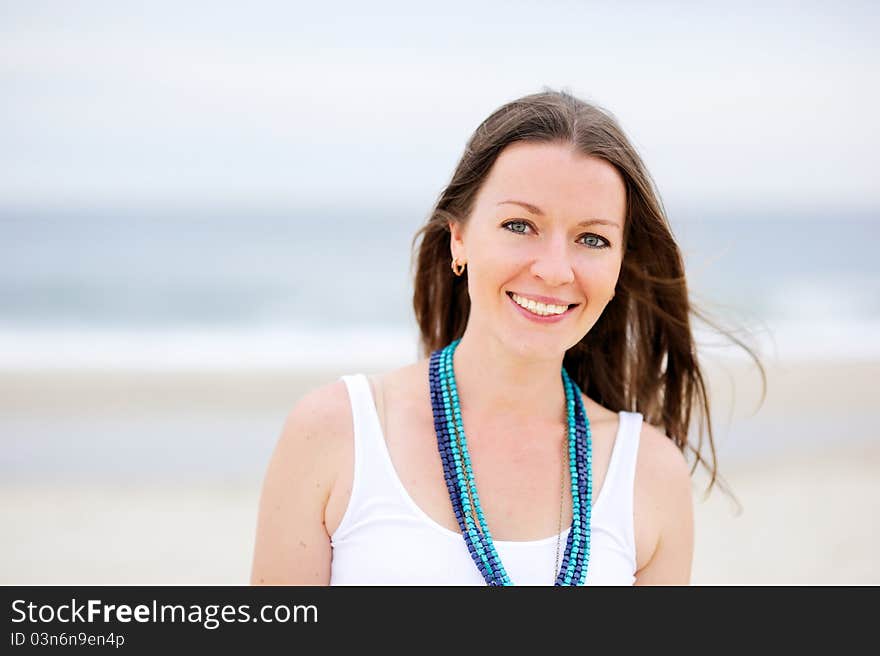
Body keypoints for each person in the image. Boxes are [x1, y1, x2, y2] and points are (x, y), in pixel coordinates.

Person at [250, 88, 743, 586]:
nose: (554, 270)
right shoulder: (339, 431)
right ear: (458, 238)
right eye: (519, 225)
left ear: (618, 266)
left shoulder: (649, 473)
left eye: (592, 239)